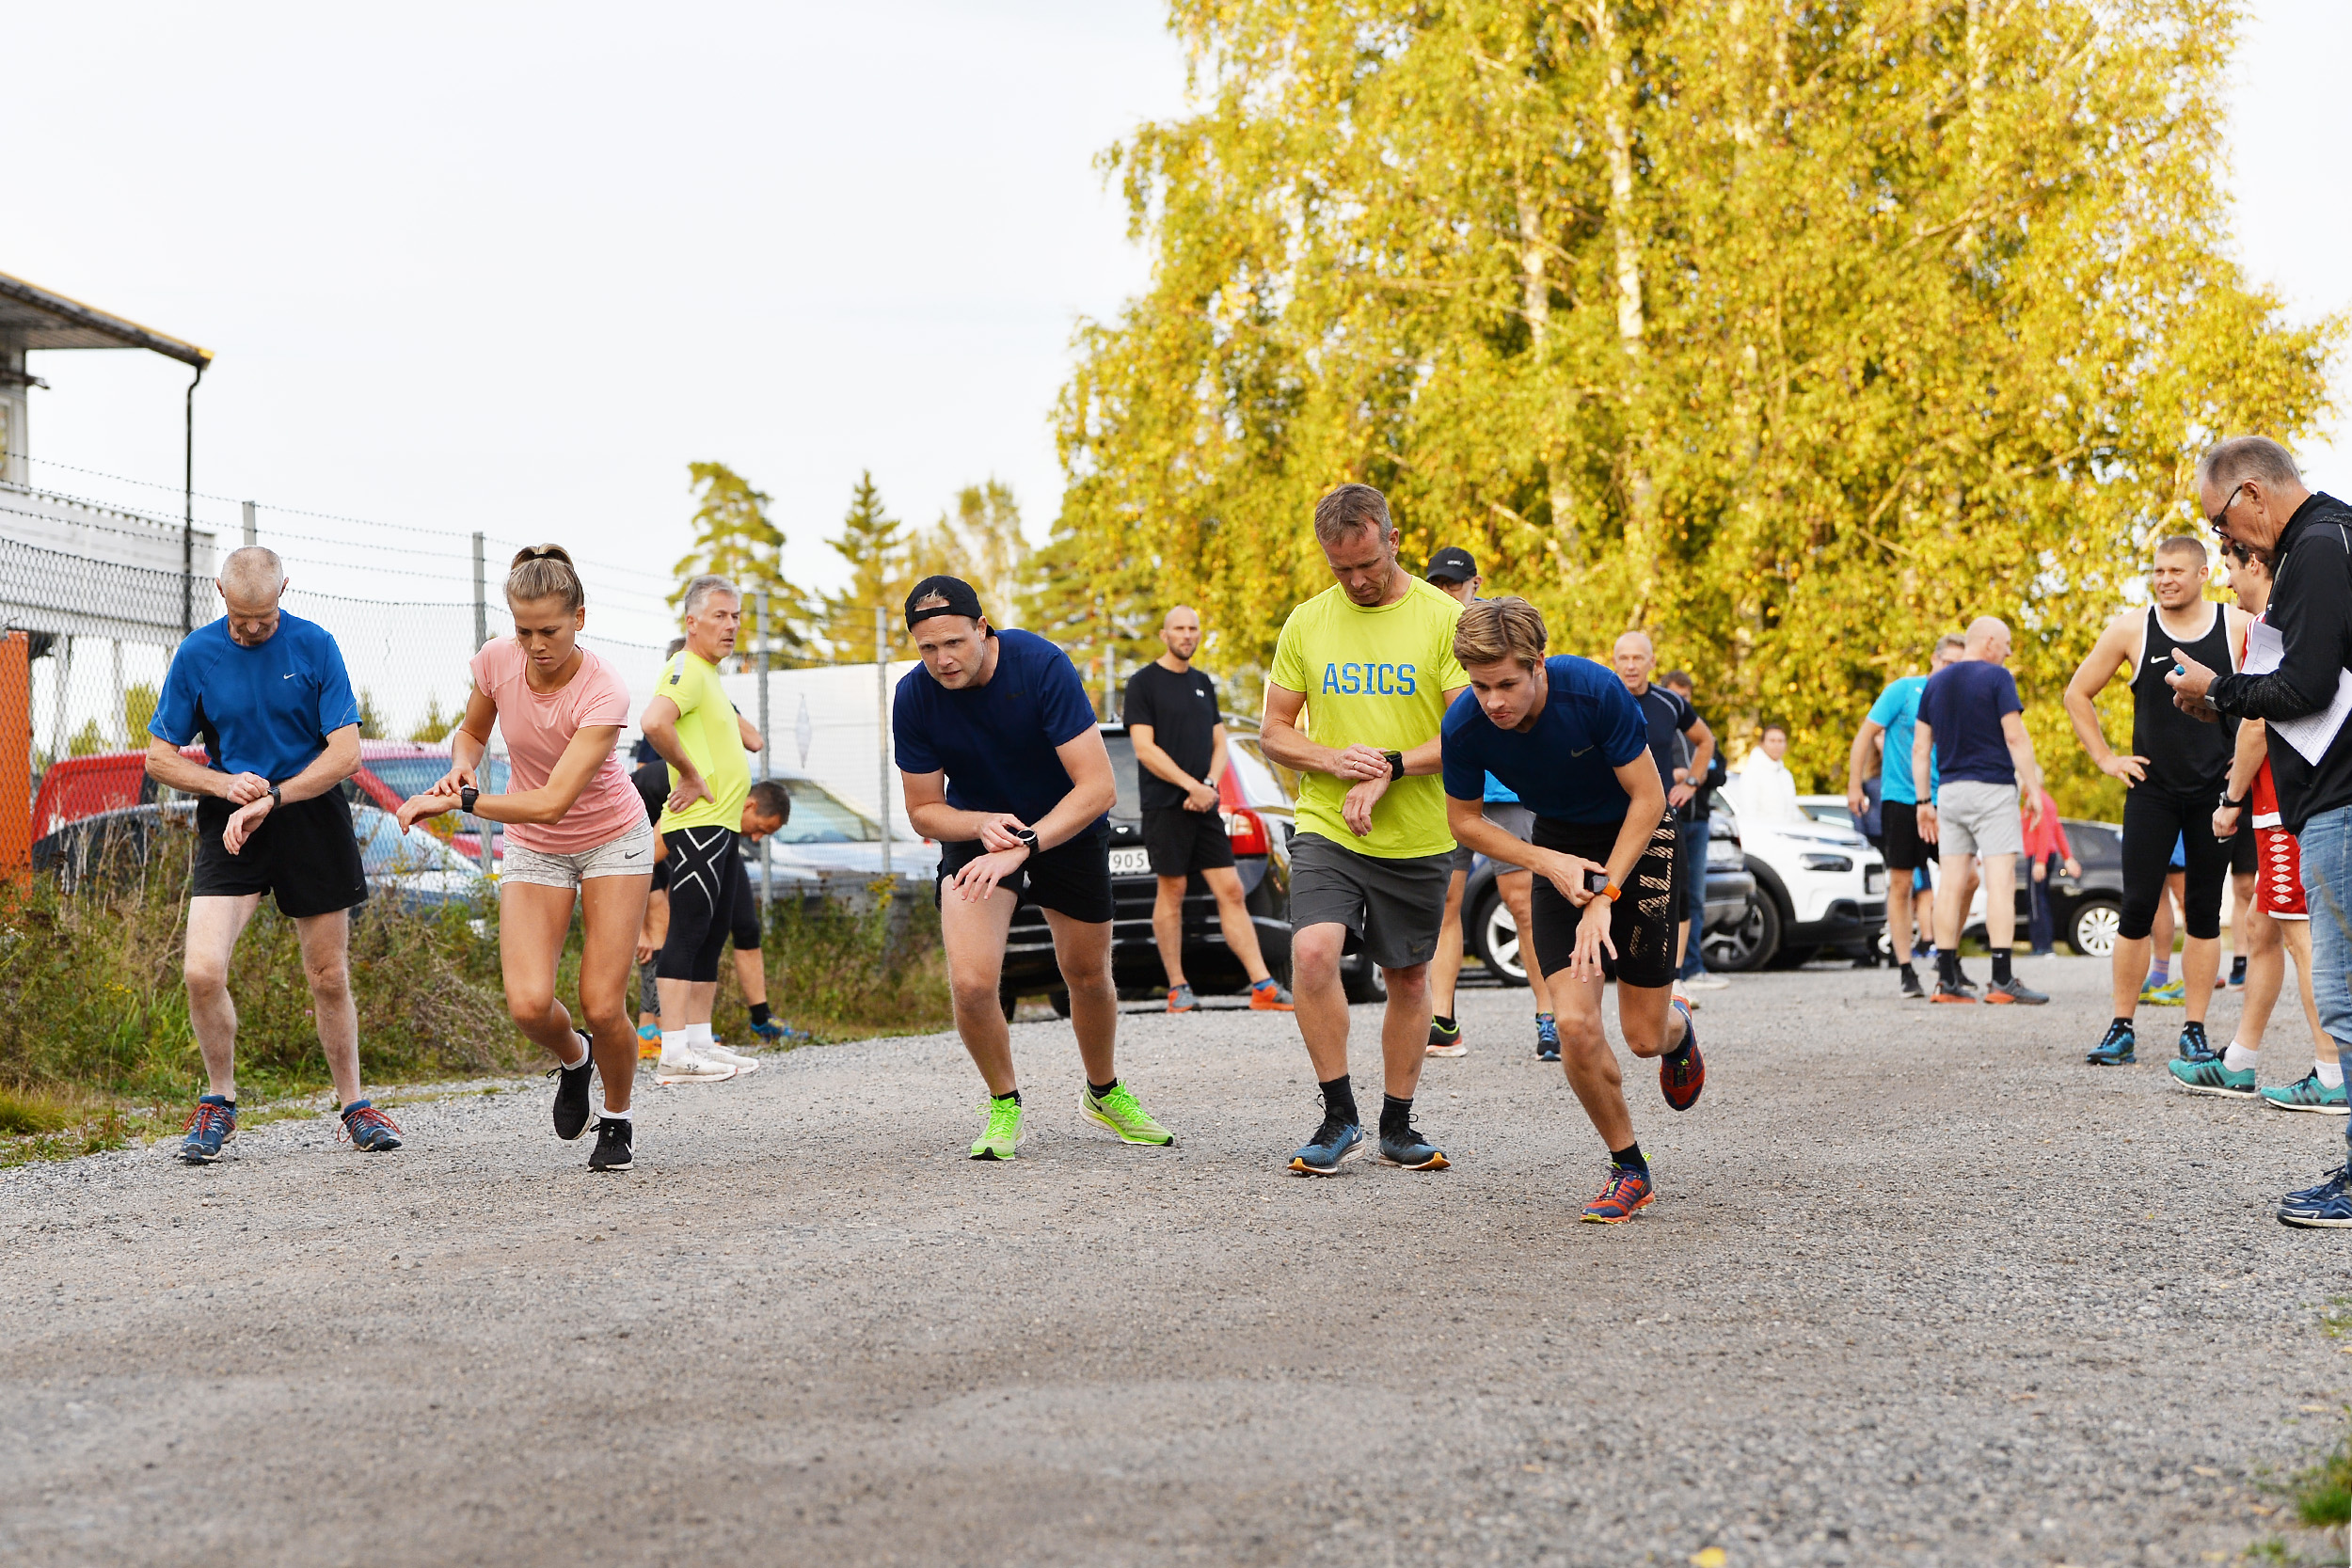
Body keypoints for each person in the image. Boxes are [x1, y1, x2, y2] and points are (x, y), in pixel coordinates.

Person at [1441, 599, 1705, 1222]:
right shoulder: (1465, 725)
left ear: (1539, 667)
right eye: (1481, 686)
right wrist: (1545, 861)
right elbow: (1464, 821)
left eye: (1507, 683)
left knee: (1642, 1037)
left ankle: (1678, 1031)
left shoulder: (1592, 690)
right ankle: (1628, 1167)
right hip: (1561, 846)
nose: (1494, 701)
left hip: (1640, 837)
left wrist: (1607, 894)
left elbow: (1647, 797)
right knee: (1575, 1026)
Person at [894, 575, 1173, 1160]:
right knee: (971, 983)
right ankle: (1003, 1103)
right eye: (927, 648)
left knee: (1087, 972)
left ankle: (1102, 1091)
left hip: (1063, 823)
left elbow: (1099, 787)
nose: (942, 660)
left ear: (982, 629)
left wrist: (1028, 842)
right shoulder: (914, 696)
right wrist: (978, 826)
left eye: (954, 643)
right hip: (982, 830)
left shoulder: (1041, 664)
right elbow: (923, 810)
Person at [397, 546, 652, 1172]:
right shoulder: (497, 660)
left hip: (611, 840)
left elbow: (551, 801)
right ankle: (575, 1059)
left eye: (550, 630)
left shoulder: (604, 691)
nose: (535, 644)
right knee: (529, 1004)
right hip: (539, 849)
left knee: (602, 1001)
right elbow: (474, 730)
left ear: (580, 618)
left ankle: (615, 1117)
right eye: (524, 630)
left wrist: (463, 801)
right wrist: (463, 760)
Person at [145, 546, 400, 1162]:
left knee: (328, 976)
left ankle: (355, 1105)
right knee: (201, 972)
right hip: (233, 819)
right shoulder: (197, 654)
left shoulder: (316, 646)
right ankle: (219, 1101)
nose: (253, 628)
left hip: (309, 815)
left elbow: (346, 754)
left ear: (285, 589)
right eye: (241, 619)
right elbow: (159, 756)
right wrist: (225, 785)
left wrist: (277, 795)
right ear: (220, 593)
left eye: (263, 617)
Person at [2169, 436, 2352, 1225]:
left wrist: (2222, 689)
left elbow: (2308, 684)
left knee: (2345, 1000)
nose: (2226, 543)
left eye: (2221, 526)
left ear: (2250, 493)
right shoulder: (2336, 533)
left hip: (2340, 799)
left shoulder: (2313, 547)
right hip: (2335, 795)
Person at [1260, 484, 1469, 1175]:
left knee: (1408, 978)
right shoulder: (1307, 623)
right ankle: (1337, 1114)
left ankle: (1397, 1125)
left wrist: (1391, 768)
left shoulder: (1444, 618)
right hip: (1328, 823)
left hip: (1417, 830)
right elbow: (1274, 732)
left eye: (1367, 565)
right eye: (1340, 569)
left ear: (1393, 540)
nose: (1355, 581)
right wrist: (1334, 760)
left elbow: (1468, 735)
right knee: (1313, 954)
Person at [2063, 536, 2249, 1064]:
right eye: (2157, 570)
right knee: (2137, 908)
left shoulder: (2236, 627)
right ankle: (2121, 1026)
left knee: (2205, 912)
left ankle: (2194, 1029)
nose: (2165, 579)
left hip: (2216, 792)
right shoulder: (2131, 628)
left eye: (2176, 570)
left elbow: (2264, 701)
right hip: (2152, 792)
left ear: (2203, 574)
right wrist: (2105, 759)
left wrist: (2245, 764)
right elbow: (2077, 694)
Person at [2176, 536, 2344, 1111]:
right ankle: (2239, 1062)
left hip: (2283, 802)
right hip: (2286, 800)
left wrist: (2230, 798)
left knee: (2302, 935)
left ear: (2255, 562)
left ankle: (2333, 1073)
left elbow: (2256, 723)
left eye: (2228, 566)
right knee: (2261, 925)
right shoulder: (2281, 619)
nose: (2226, 582)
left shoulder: (2268, 624)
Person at [1418, 547, 1557, 1056]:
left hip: (1506, 793)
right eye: (1437, 583)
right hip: (1450, 789)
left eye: (1454, 583)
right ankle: (1442, 1021)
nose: (1446, 591)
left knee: (1523, 905)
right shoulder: (1427, 632)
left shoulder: (1505, 632)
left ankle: (1548, 1016)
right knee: (1446, 905)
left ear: (1475, 583)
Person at [1122, 605, 1295, 1014]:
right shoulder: (1143, 684)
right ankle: (1177, 988)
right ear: (1164, 635)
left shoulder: (1203, 683)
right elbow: (1144, 749)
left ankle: (1263, 986)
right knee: (1173, 890)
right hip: (1167, 805)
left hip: (1205, 805)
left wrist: (1210, 786)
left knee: (1231, 891)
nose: (1187, 635)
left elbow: (1220, 744)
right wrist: (1189, 786)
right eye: (1179, 629)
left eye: (1193, 629)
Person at [640, 580, 765, 1083]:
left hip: (724, 823)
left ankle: (697, 1040)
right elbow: (653, 722)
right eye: (719, 615)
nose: (731, 625)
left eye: (735, 616)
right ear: (691, 622)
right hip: (697, 822)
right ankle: (672, 1052)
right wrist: (690, 774)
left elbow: (750, 741)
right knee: (688, 930)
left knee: (712, 933)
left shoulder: (709, 675)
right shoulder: (684, 669)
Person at [1914, 617, 2050, 1005]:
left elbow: (1922, 748)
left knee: (1951, 884)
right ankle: (2002, 979)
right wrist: (2035, 791)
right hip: (1992, 789)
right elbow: (2014, 736)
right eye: (2006, 644)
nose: (2008, 652)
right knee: (2000, 881)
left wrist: (1924, 802)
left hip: (1951, 791)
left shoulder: (1935, 683)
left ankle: (1946, 980)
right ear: (1989, 641)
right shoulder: (1997, 678)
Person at [1848, 634, 1967, 999]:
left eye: (1960, 665)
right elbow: (1865, 734)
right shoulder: (1904, 690)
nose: (1952, 671)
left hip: (1946, 799)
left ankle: (1948, 956)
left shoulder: (1961, 701)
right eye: (1948, 663)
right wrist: (1854, 785)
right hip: (1901, 800)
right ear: (1934, 660)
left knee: (1968, 878)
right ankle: (1905, 970)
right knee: (1901, 884)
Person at [1612, 632, 1714, 981]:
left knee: (1677, 897)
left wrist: (1691, 783)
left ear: (1652, 662)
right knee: (1614, 893)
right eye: (1623, 658)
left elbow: (1705, 741)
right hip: (1612, 817)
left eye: (1638, 658)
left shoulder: (1670, 702)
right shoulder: (1603, 698)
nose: (1630, 665)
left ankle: (1678, 976)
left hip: (1661, 816)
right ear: (1614, 662)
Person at [1661, 671, 1727, 993]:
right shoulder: (1657, 727)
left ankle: (1692, 966)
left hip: (1697, 819)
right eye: (1676, 696)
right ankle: (1664, 969)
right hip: (1663, 818)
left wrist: (1693, 777)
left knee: (1694, 896)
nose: (1682, 703)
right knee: (1666, 896)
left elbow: (1720, 771)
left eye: (1686, 697)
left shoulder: (1698, 731)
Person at [2019, 786, 2079, 958]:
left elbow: (2045, 831)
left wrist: (2040, 861)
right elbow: (2057, 829)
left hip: (2038, 855)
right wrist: (2068, 857)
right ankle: (2044, 945)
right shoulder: (2046, 799)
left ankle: (2042, 946)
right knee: (2041, 899)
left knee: (2035, 901)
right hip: (2045, 854)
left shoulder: (2038, 800)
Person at [1729, 723, 1804, 823]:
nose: (1777, 745)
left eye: (1780, 741)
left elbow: (1792, 811)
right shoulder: (1753, 772)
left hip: (1787, 835)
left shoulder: (1785, 775)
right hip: (1764, 835)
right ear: (1762, 744)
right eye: (1772, 741)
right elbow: (1749, 812)